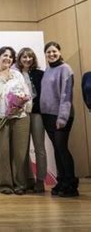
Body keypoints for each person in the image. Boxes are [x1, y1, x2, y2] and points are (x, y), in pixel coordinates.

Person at [0, 46, 31, 195]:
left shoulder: (18, 75)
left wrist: (22, 104)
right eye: (5, 55)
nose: (8, 59)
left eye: (11, 57)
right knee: (1, 152)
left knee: (20, 152)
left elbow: (26, 94)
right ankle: (5, 184)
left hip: (19, 117)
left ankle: (20, 184)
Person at [40, 41, 79, 197]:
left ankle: (71, 185)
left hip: (61, 115)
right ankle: (61, 181)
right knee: (57, 149)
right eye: (48, 52)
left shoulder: (65, 69)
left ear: (59, 52)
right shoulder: (48, 69)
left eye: (54, 51)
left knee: (62, 149)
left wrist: (62, 117)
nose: (51, 54)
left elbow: (66, 94)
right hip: (47, 115)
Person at [16, 47, 46, 193]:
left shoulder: (41, 74)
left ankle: (40, 180)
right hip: (21, 115)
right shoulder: (15, 75)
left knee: (39, 148)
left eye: (30, 57)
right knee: (23, 149)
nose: (27, 60)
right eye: (24, 57)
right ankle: (28, 179)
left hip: (37, 114)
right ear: (19, 59)